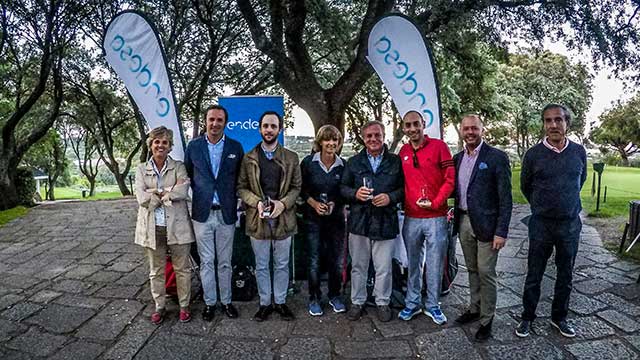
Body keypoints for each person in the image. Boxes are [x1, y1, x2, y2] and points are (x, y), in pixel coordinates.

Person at [515, 104, 587, 338]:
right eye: (548, 121)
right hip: (541, 225)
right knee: (534, 274)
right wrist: (542, 206)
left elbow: (580, 180)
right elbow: (526, 186)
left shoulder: (578, 152)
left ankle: (559, 318)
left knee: (565, 275)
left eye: (558, 120)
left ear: (567, 123)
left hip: (569, 224)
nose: (553, 125)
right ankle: (527, 318)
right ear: (543, 124)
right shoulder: (533, 155)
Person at [452, 114, 512, 341]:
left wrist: (501, 231)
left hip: (488, 226)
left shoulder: (496, 157)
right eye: (466, 129)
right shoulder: (457, 158)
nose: (470, 132)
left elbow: (505, 198)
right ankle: (474, 308)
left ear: (482, 129)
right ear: (461, 131)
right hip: (464, 222)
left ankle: (487, 319)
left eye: (474, 128)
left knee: (486, 272)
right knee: (472, 269)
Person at [237, 111, 301, 322]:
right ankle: (265, 303)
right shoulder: (248, 158)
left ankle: (280, 302)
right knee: (262, 264)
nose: (269, 130)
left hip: (283, 218)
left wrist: (282, 204)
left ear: (279, 129)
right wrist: (256, 202)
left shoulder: (291, 158)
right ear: (260, 129)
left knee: (282, 264)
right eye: (265, 126)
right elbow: (241, 187)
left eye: (273, 126)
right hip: (258, 219)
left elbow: (296, 187)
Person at [184, 104, 244, 321]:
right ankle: (210, 303)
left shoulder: (236, 148)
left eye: (219, 120)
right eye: (211, 119)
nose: (215, 123)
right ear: (205, 121)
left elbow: (240, 178)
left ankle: (226, 301)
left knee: (225, 261)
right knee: (207, 261)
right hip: (202, 213)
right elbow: (189, 174)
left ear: (225, 123)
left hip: (227, 213)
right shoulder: (194, 147)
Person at [341, 120, 404, 322]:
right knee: (358, 266)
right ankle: (357, 301)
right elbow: (342, 188)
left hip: (385, 220)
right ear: (363, 138)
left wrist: (391, 198)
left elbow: (404, 189)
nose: (373, 139)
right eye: (369, 136)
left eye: (377, 135)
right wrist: (355, 193)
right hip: (359, 221)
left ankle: (382, 302)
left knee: (384, 266)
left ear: (383, 136)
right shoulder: (353, 162)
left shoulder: (396, 161)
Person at [396, 111, 455, 325]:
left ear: (423, 124)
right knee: (412, 263)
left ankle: (432, 305)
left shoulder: (439, 147)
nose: (412, 129)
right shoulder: (402, 151)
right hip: (411, 217)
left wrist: (437, 203)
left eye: (415, 124)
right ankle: (412, 303)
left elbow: (450, 180)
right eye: (407, 125)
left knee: (435, 263)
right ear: (403, 128)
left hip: (436, 217)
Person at [134, 126, 195, 325]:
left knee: (182, 269)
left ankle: (184, 306)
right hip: (153, 228)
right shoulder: (141, 169)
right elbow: (142, 198)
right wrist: (166, 193)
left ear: (170, 146)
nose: (160, 145)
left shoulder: (178, 166)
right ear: (151, 145)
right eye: (156, 142)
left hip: (178, 226)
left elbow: (183, 190)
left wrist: (158, 192)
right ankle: (159, 306)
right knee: (156, 270)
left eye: (165, 142)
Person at [300, 125, 347, 316]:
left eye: (335, 140)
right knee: (314, 260)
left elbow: (345, 191)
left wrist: (335, 203)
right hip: (313, 219)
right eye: (327, 140)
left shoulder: (343, 165)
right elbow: (300, 189)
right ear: (320, 142)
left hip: (335, 220)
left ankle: (335, 296)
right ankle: (314, 298)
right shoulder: (308, 163)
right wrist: (313, 203)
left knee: (336, 261)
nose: (331, 143)